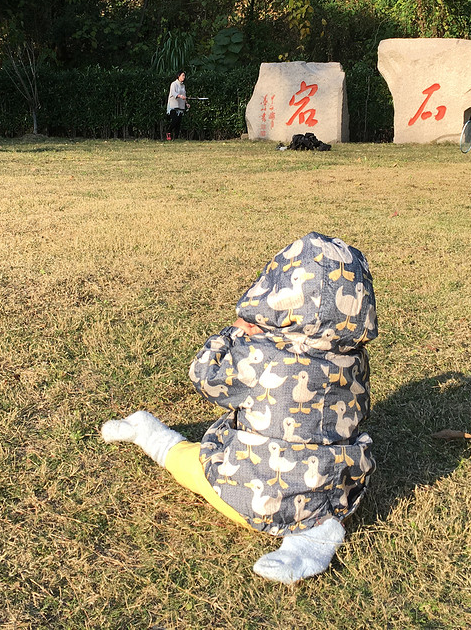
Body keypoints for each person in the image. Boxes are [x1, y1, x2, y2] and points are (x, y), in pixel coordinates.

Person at [101, 232, 377, 584]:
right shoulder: (354, 359)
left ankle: (149, 433)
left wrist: (231, 335)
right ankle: (316, 530)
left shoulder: (259, 352)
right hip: (336, 485)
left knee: (192, 464)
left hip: (255, 490)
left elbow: (204, 376)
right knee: (317, 495)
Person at [166, 71, 188, 140]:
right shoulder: (174, 84)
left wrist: (186, 103)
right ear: (178, 76)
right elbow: (173, 93)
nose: (184, 77)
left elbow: (184, 95)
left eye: (184, 76)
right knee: (174, 121)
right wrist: (180, 96)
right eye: (182, 75)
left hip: (181, 106)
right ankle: (168, 132)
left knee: (178, 123)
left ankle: (176, 138)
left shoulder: (183, 86)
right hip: (173, 106)